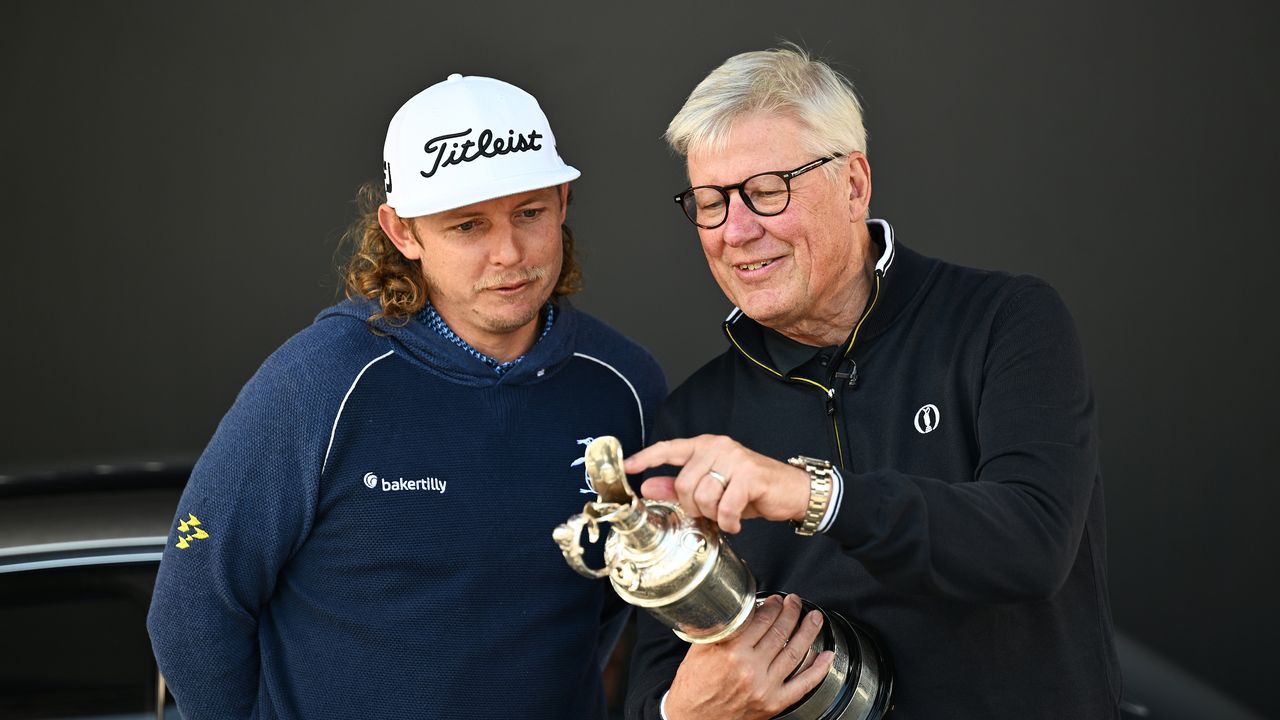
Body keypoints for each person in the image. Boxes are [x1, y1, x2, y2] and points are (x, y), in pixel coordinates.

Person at [147, 73, 666, 719]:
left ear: (563, 201)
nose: (509, 252)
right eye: (468, 225)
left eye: (529, 213)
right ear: (403, 232)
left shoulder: (623, 383)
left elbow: (615, 607)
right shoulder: (321, 383)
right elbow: (190, 612)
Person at [623, 47, 1120, 719]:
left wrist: (809, 493)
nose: (735, 231)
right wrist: (681, 713)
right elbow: (655, 686)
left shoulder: (1004, 322)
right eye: (710, 203)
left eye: (768, 191)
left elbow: (1032, 544)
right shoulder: (693, 419)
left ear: (854, 185)